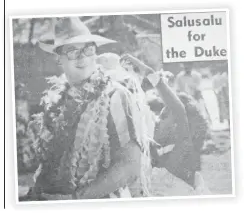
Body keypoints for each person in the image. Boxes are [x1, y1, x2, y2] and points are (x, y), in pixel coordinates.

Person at [25, 17, 153, 201]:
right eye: (72, 51)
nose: (82, 56)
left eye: (88, 49)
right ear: (58, 58)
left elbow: (130, 165)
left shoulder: (114, 95)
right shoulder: (56, 101)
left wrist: (75, 199)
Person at [118, 54, 210, 194]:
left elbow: (156, 81)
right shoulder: (165, 155)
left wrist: (136, 62)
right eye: (161, 112)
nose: (158, 118)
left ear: (177, 124)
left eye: (165, 114)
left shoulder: (174, 152)